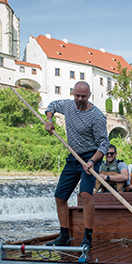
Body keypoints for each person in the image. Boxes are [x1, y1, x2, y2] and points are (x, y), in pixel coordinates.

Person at [44, 81, 110, 250]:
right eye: (77, 95)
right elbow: (51, 105)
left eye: (83, 96)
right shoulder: (67, 106)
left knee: (86, 195)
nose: (79, 99)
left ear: (89, 96)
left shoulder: (96, 116)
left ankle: (87, 237)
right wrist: (49, 120)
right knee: (60, 197)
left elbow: (104, 144)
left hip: (91, 156)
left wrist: (92, 161)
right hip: (73, 156)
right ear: (73, 94)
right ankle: (64, 236)